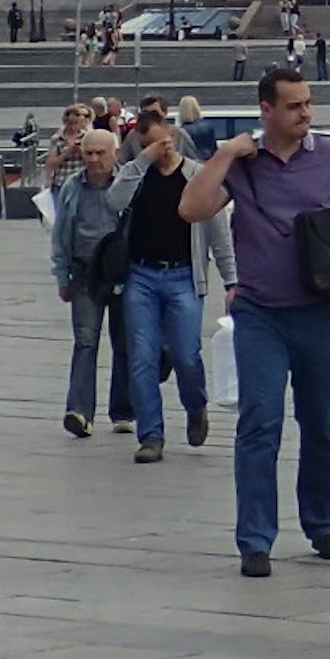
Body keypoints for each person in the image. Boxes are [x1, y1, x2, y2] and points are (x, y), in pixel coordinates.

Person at [179, 67, 330, 577]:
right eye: (294, 106)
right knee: (260, 422)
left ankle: (323, 525)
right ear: (267, 111)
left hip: (321, 311)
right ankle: (255, 539)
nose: (305, 113)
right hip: (260, 313)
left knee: (322, 422)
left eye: (308, 103)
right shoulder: (244, 163)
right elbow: (192, 208)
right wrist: (227, 153)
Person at [115, 108, 236, 460]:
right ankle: (151, 436)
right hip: (141, 276)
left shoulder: (196, 175)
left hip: (183, 275)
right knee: (141, 358)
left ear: (172, 137)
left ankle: (195, 405)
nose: (156, 151)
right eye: (147, 146)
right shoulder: (137, 175)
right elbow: (113, 201)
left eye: (160, 144)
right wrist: (140, 163)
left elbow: (218, 232)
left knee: (186, 354)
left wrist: (232, 281)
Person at [50, 128, 135, 436]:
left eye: (101, 153)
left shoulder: (128, 183)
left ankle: (123, 410)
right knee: (85, 341)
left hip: (124, 273)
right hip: (85, 272)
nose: (95, 159)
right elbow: (61, 235)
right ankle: (79, 411)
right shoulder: (73, 187)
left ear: (115, 154)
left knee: (124, 342)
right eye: (89, 153)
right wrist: (62, 276)